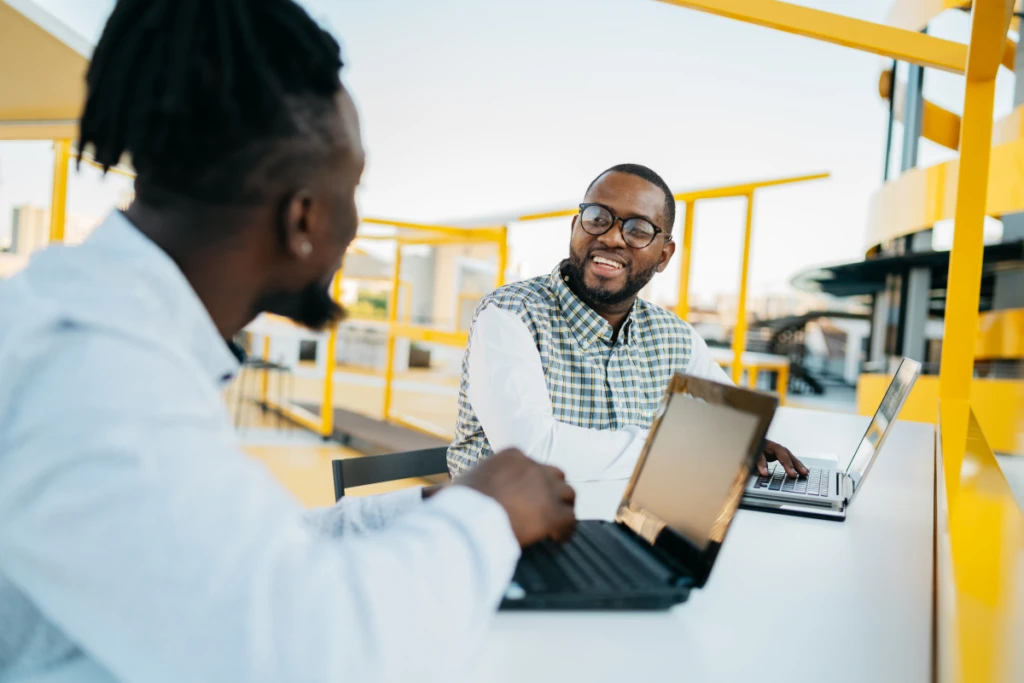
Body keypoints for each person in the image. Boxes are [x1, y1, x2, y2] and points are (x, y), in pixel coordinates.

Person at [0, 2, 576, 682]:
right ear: (303, 217)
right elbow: (315, 652)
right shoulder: (98, 374)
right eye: (354, 186)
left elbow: (224, 561)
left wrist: (433, 508)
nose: (357, 221)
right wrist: (487, 516)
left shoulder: (94, 325)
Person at [448, 163, 807, 482]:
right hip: (507, 537)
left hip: (624, 531)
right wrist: (677, 449)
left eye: (638, 229)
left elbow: (735, 418)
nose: (610, 236)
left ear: (663, 255)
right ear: (576, 226)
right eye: (598, 217)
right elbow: (531, 451)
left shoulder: (674, 336)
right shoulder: (510, 314)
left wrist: (748, 442)